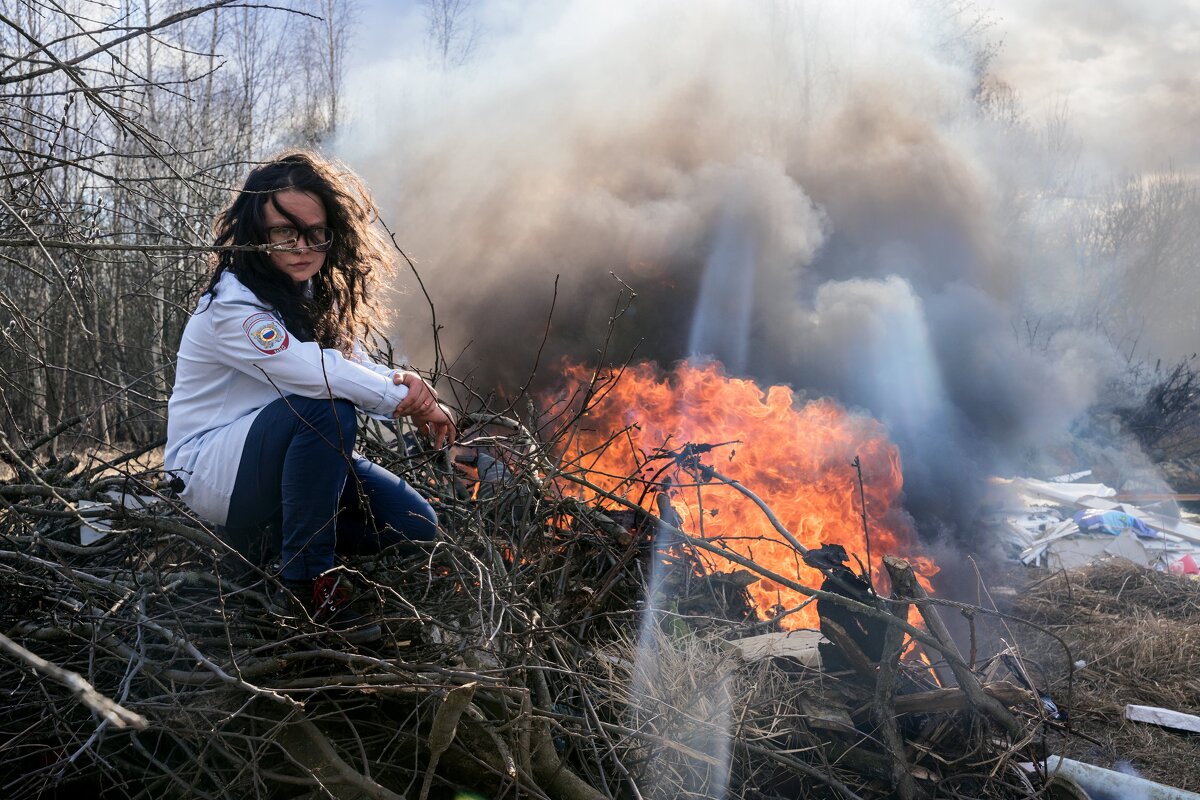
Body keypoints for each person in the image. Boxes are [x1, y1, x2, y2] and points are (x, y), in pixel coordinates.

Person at [164, 151, 454, 641]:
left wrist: (407, 383)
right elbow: (318, 376)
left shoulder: (307, 295)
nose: (304, 246)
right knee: (325, 406)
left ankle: (275, 542)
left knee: (416, 525)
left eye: (317, 233)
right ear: (256, 232)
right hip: (211, 472)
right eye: (285, 233)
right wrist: (407, 402)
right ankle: (306, 587)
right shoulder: (232, 307)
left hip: (287, 459)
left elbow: (353, 366)